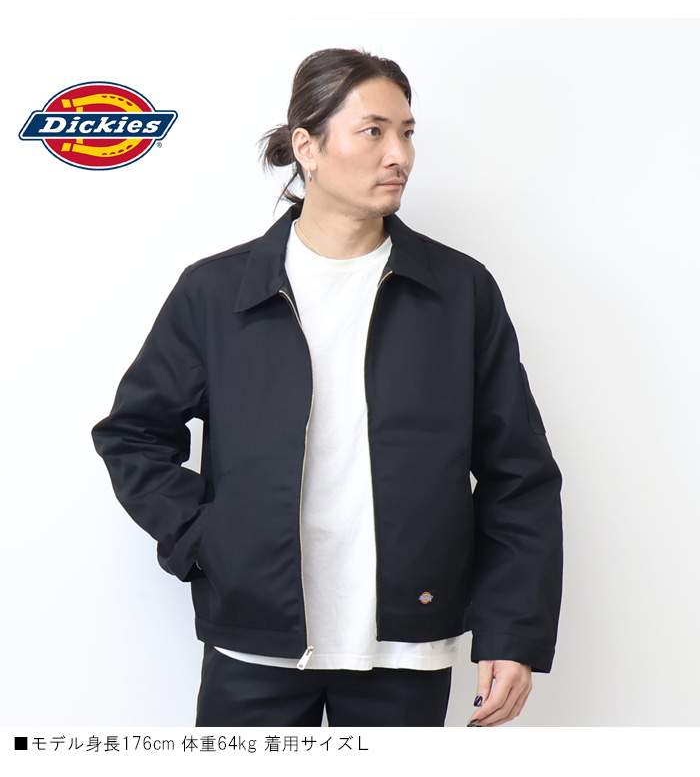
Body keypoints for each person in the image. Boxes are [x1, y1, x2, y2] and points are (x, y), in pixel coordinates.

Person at [92, 47, 563, 727]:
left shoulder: (459, 292)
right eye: (373, 131)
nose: (399, 155)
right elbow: (133, 434)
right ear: (306, 147)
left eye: (407, 133)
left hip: (405, 649)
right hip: (255, 645)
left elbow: (518, 473)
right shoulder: (218, 292)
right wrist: (208, 539)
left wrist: (512, 630)